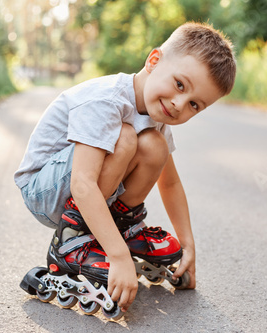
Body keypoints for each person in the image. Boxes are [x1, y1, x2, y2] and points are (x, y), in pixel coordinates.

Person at [15, 21, 236, 314]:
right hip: (45, 191)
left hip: (84, 189)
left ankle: (123, 226)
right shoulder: (107, 100)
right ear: (154, 61)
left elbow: (169, 184)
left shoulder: (157, 115)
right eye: (180, 84)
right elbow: (82, 183)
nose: (179, 104)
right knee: (126, 136)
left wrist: (188, 245)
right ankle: (70, 239)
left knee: (155, 145)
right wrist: (118, 257)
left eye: (194, 105)